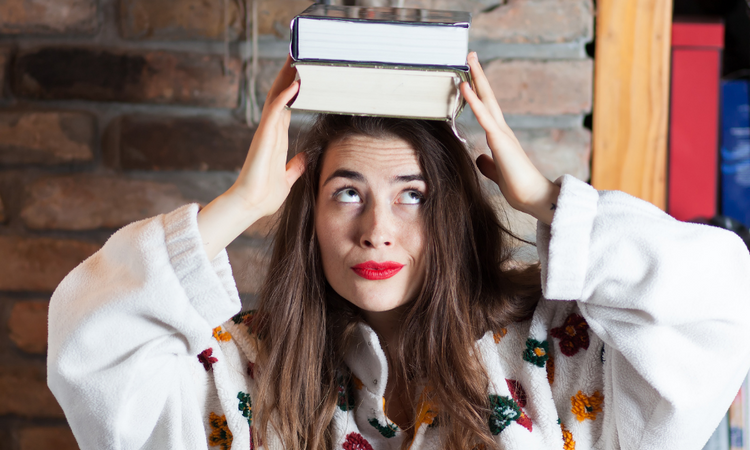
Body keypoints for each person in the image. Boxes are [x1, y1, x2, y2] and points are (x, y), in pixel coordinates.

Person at [47, 52, 750, 450]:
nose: (377, 229)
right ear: (309, 217)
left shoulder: (562, 348)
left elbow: (721, 305)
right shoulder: (236, 368)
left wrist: (543, 198)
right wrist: (239, 205)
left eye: (413, 195)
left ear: (449, 215)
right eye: (347, 193)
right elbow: (89, 352)